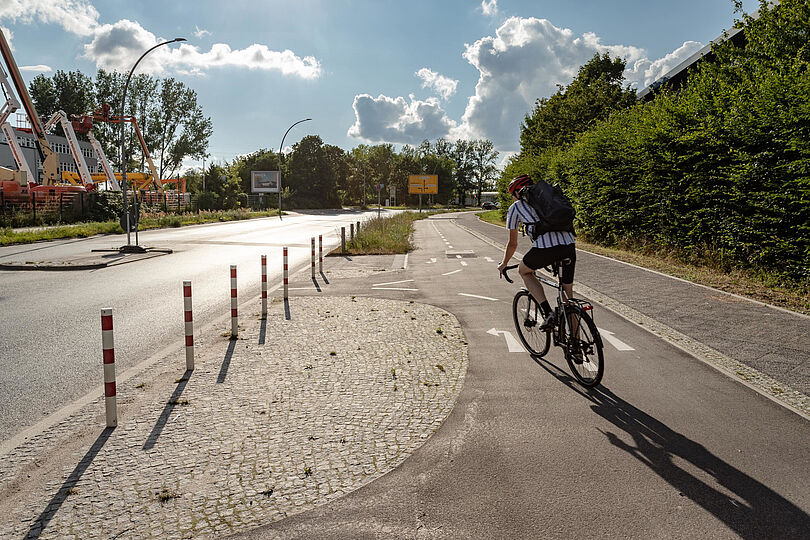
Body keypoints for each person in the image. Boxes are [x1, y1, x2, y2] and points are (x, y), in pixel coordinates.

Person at [497, 174, 576, 330]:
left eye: (513, 195)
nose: (513, 198)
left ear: (517, 193)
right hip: (569, 245)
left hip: (545, 248)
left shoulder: (516, 207)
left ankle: (548, 314)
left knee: (524, 271)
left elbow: (513, 243)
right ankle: (577, 348)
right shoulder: (550, 199)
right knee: (568, 298)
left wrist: (504, 263)